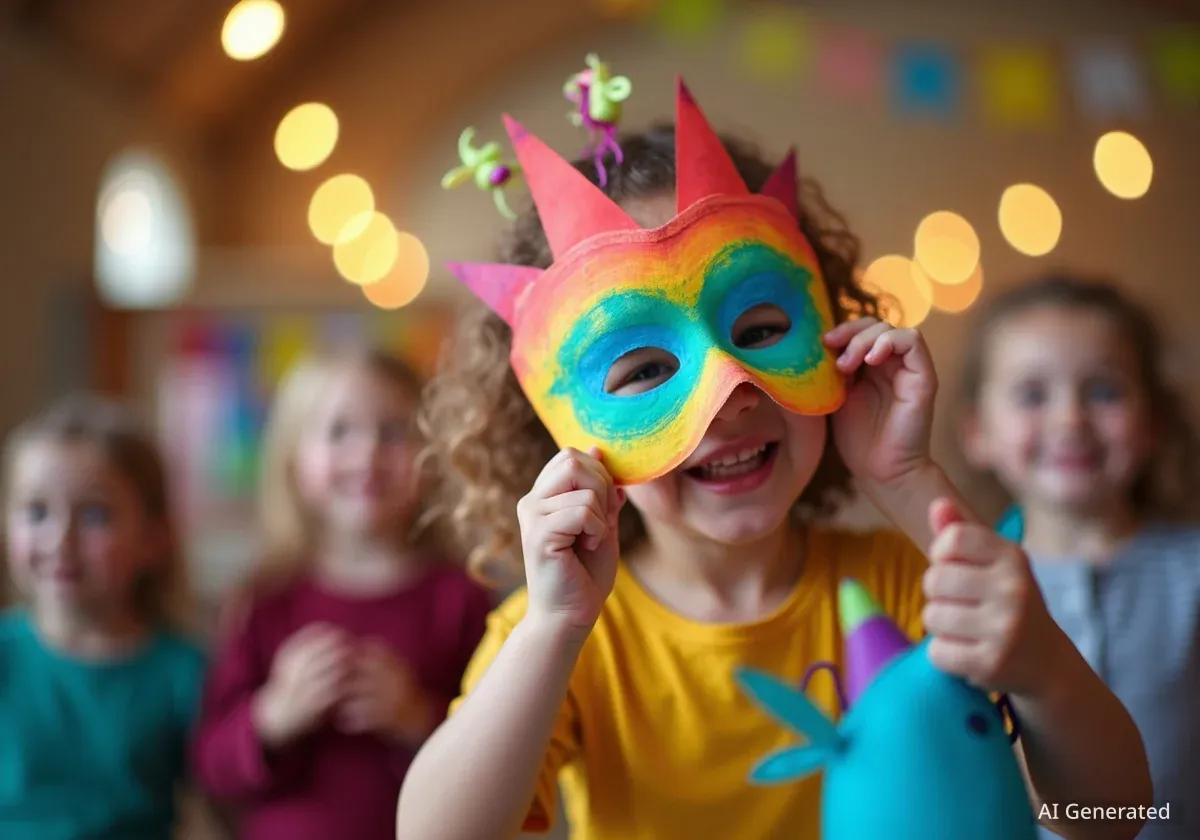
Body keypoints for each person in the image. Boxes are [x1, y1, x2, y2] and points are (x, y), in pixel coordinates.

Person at [397, 78, 1151, 840]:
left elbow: (1112, 815)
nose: (731, 389)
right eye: (644, 370)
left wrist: (907, 482)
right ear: (559, 436)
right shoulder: (566, 632)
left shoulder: (902, 585)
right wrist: (553, 629)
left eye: (758, 328)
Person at [192, 349, 492, 840]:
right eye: (338, 432)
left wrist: (416, 717)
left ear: (430, 459)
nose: (367, 454)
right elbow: (211, 767)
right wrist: (272, 714)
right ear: (295, 464)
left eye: (393, 432)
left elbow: (500, 755)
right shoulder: (263, 601)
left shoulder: (459, 599)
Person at [958, 274, 1200, 839]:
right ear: (978, 431)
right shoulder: (970, 590)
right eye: (1032, 395)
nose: (1070, 420)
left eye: (1105, 391)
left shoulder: (1191, 572)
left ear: (1154, 422)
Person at [0, 393, 207, 839]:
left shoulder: (184, 672)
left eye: (94, 514)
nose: (60, 539)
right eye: (36, 511)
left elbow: (224, 813)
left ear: (154, 537)